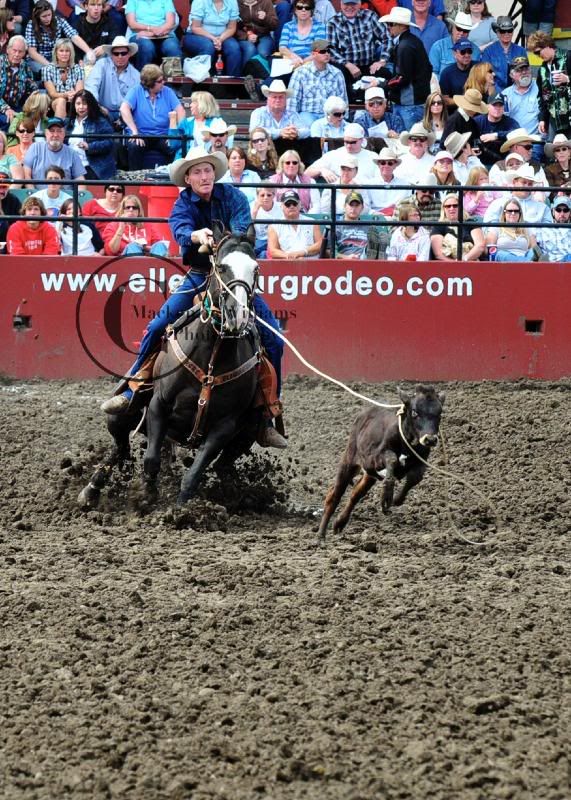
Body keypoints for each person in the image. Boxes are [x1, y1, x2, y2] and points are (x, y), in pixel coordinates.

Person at [100, 146, 287, 449]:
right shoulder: (183, 203)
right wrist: (195, 236)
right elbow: (179, 229)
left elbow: (241, 230)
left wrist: (219, 240)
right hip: (200, 274)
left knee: (274, 339)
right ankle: (133, 389)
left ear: (215, 174)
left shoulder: (234, 197)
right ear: (187, 178)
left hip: (233, 276)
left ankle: (266, 415)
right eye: (198, 172)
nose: (204, 176)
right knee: (158, 325)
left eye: (208, 170)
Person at [120, 63, 184, 170]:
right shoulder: (136, 91)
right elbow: (123, 108)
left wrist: (176, 133)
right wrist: (135, 132)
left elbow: (180, 111)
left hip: (163, 135)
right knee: (134, 146)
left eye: (163, 79)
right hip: (142, 134)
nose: (163, 83)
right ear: (149, 83)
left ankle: (172, 178)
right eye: (159, 81)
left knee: (174, 145)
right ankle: (136, 179)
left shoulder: (167, 91)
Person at [327, 0, 391, 101]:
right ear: (341, 4)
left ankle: (382, 107)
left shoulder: (370, 16)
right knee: (338, 74)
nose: (349, 7)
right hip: (347, 68)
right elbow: (330, 49)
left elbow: (387, 38)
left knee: (386, 74)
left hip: (369, 65)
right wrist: (348, 64)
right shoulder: (333, 22)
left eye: (353, 4)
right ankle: (346, 108)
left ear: (360, 4)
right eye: (346, 4)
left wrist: (382, 60)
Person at [380, 6, 431, 130]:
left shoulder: (405, 46)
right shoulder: (411, 41)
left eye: (391, 24)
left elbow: (402, 78)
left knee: (409, 141)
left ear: (402, 26)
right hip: (413, 103)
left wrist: (382, 84)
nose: (388, 27)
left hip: (409, 105)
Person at [286, 38, 347, 129]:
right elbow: (292, 102)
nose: (326, 54)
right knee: (308, 127)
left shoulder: (337, 73)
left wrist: (342, 118)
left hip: (331, 115)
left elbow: (343, 101)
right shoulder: (300, 72)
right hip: (307, 114)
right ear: (313, 54)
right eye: (322, 51)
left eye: (328, 51)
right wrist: (292, 122)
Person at [25, 1, 94, 74]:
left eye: (49, 15)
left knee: (71, 70)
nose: (47, 18)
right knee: (45, 71)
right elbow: (32, 52)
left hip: (55, 57)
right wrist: (50, 65)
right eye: (44, 16)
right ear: (38, 16)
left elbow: (74, 36)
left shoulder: (59, 20)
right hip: (38, 60)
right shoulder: (31, 25)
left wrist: (88, 51)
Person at [84, 36, 140, 124]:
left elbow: (136, 100)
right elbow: (91, 86)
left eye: (123, 53)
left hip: (126, 114)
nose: (120, 56)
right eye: (116, 53)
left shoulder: (136, 75)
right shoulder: (101, 64)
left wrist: (124, 116)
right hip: (101, 111)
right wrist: (97, 106)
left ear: (129, 54)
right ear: (111, 54)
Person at [528, 31, 571, 139]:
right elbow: (542, 97)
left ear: (546, 45)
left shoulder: (568, 57)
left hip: (569, 116)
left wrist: (568, 79)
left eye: (538, 52)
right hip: (554, 119)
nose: (538, 56)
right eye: (535, 54)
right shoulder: (542, 70)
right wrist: (543, 118)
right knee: (553, 150)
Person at [183, 0, 242, 78]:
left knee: (234, 48)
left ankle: (232, 84)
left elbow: (231, 28)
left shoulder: (232, 2)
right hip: (198, 35)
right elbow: (196, 27)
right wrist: (214, 39)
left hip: (223, 35)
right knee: (208, 46)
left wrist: (220, 39)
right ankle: (201, 84)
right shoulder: (199, 2)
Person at [66, 89, 116, 180]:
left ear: (90, 105)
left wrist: (90, 146)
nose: (81, 107)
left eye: (85, 104)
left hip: (92, 167)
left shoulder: (100, 121)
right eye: (78, 104)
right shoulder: (68, 122)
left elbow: (110, 142)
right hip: (70, 165)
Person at [483, 164, 553, 228]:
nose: (526, 186)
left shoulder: (543, 208)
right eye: (524, 182)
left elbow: (548, 231)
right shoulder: (498, 204)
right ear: (514, 182)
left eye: (530, 184)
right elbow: (488, 227)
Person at [305, 121, 378, 182]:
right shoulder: (333, 155)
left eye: (353, 142)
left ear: (361, 140)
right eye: (346, 142)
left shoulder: (372, 157)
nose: (349, 146)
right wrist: (321, 170)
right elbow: (306, 174)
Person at [23, 116, 85, 185]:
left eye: (59, 131)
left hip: (65, 195)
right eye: (52, 131)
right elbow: (26, 174)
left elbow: (80, 180)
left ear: (64, 134)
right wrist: (32, 192)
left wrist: (78, 195)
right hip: (37, 194)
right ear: (46, 133)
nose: (55, 135)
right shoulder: (35, 148)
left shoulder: (72, 153)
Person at [125, 0, 182, 72]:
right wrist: (150, 29)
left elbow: (171, 23)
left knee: (172, 47)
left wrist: (153, 32)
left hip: (164, 33)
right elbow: (132, 24)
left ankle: (171, 81)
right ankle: (144, 80)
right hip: (139, 34)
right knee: (146, 46)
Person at [501, 56, 542, 157]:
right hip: (514, 143)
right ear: (512, 75)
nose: (524, 72)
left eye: (526, 68)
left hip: (534, 141)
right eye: (519, 70)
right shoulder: (505, 95)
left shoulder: (541, 88)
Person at [103, 193, 167, 256]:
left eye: (134, 207)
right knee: (133, 247)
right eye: (128, 207)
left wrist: (146, 248)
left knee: (160, 246)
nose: (131, 210)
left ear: (139, 211)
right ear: (122, 210)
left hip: (148, 260)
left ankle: (156, 265)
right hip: (124, 261)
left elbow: (160, 247)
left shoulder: (148, 225)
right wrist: (120, 229)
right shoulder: (112, 226)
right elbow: (111, 251)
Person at [267, 188, 322, 258]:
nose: (291, 206)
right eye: (288, 204)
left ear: (300, 205)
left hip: (311, 265)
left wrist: (302, 252)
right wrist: (290, 257)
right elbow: (273, 251)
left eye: (294, 203)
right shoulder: (273, 227)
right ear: (281, 206)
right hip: (288, 265)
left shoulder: (312, 222)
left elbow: (320, 244)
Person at [168, 91, 225, 159]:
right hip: (186, 160)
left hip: (209, 160)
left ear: (202, 105)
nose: (190, 105)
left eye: (193, 102)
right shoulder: (186, 123)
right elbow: (173, 145)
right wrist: (173, 121)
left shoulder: (218, 122)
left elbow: (224, 145)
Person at [431, 192, 485, 261]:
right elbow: (438, 254)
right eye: (448, 206)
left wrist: (464, 259)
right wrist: (455, 264)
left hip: (471, 262)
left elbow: (480, 245)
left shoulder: (471, 223)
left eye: (455, 205)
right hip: (448, 266)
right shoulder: (439, 226)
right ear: (443, 209)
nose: (451, 208)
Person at [0, 36, 38, 132]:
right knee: (8, 121)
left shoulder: (24, 66)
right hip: (1, 106)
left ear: (24, 53)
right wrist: (6, 108)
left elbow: (31, 85)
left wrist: (35, 94)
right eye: (14, 50)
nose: (17, 54)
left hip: (16, 106)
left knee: (28, 122)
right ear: (8, 50)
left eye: (20, 51)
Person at [428, 11, 481, 79]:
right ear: (452, 28)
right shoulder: (438, 47)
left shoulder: (475, 50)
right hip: (443, 88)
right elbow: (432, 74)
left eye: (465, 31)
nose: (461, 33)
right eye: (459, 29)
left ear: (469, 32)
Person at [42, 39, 84, 120]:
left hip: (73, 101)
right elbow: (52, 94)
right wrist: (65, 95)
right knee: (61, 100)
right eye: (61, 51)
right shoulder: (47, 69)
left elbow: (80, 92)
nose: (64, 54)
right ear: (56, 52)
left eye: (67, 51)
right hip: (54, 102)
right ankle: (60, 128)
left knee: (83, 100)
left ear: (71, 53)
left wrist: (73, 95)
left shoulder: (78, 69)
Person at [485, 197, 538, 262]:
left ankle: (526, 262)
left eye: (516, 211)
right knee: (500, 254)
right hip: (504, 261)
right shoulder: (496, 227)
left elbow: (534, 248)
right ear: (504, 213)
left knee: (532, 252)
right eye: (509, 211)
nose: (513, 213)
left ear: (520, 214)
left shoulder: (526, 228)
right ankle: (527, 263)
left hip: (523, 255)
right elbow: (490, 249)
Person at [279, 0, 326, 71]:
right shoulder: (288, 26)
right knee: (272, 81)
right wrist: (294, 57)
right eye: (299, 7)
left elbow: (319, 50)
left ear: (311, 11)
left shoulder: (320, 26)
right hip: (290, 63)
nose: (303, 10)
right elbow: (282, 48)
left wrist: (302, 63)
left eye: (307, 7)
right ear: (295, 10)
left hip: (311, 66)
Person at [473, 92, 518, 166]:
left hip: (504, 163)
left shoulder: (509, 122)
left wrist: (497, 135)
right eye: (494, 105)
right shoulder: (478, 121)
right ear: (487, 106)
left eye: (500, 105)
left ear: (504, 108)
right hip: (480, 163)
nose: (497, 108)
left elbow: (518, 133)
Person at [484, 16, 526, 92]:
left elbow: (525, 73)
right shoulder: (488, 51)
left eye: (509, 30)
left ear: (513, 31)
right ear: (497, 32)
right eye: (503, 31)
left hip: (517, 92)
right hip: (495, 93)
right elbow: (485, 74)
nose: (507, 34)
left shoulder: (521, 51)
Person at [364, 146, 408, 216]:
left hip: (397, 219)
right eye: (383, 163)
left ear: (395, 165)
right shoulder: (368, 184)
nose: (386, 166)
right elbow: (365, 207)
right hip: (375, 219)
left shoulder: (405, 185)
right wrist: (378, 214)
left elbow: (407, 208)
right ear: (378, 165)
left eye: (390, 163)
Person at [333, 190, 369, 259]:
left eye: (357, 205)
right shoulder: (335, 226)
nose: (353, 208)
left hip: (366, 262)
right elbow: (328, 251)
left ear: (362, 208)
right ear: (344, 206)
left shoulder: (369, 227)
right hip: (342, 263)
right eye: (351, 205)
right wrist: (346, 257)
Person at [439, 39, 476, 107]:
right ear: (455, 53)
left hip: (478, 112)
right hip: (456, 112)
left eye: (469, 51)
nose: (467, 55)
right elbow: (445, 100)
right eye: (463, 52)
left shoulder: (478, 68)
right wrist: (466, 102)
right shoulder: (447, 73)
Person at [250, 184, 282, 256]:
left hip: (277, 240)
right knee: (263, 254)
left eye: (269, 195)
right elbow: (248, 228)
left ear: (274, 196)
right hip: (259, 240)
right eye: (262, 195)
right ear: (257, 196)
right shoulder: (251, 207)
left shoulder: (281, 207)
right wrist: (254, 212)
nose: (265, 198)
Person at [537, 196, 571, 262]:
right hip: (551, 265)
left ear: (570, 213)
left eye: (565, 210)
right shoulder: (543, 229)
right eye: (558, 210)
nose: (562, 214)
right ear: (553, 211)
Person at [0, 168, 21, 246]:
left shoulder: (14, 200)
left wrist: (2, 214)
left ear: (8, 187)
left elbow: (18, 226)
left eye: (4, 187)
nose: (1, 191)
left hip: (9, 239)